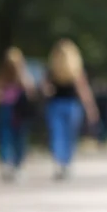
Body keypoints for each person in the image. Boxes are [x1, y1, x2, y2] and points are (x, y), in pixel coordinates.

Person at [43, 39, 99, 179]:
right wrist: (91, 108)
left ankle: (60, 162)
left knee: (58, 135)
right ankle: (66, 163)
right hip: (72, 106)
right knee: (69, 136)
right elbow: (83, 90)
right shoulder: (75, 69)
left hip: (56, 105)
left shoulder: (52, 70)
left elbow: (45, 88)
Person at [0, 47, 37, 182]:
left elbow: (31, 91)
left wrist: (21, 77)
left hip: (19, 111)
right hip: (6, 109)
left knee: (20, 138)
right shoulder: (1, 76)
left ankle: (17, 165)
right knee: (6, 137)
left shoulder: (23, 75)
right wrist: (2, 96)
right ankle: (7, 164)